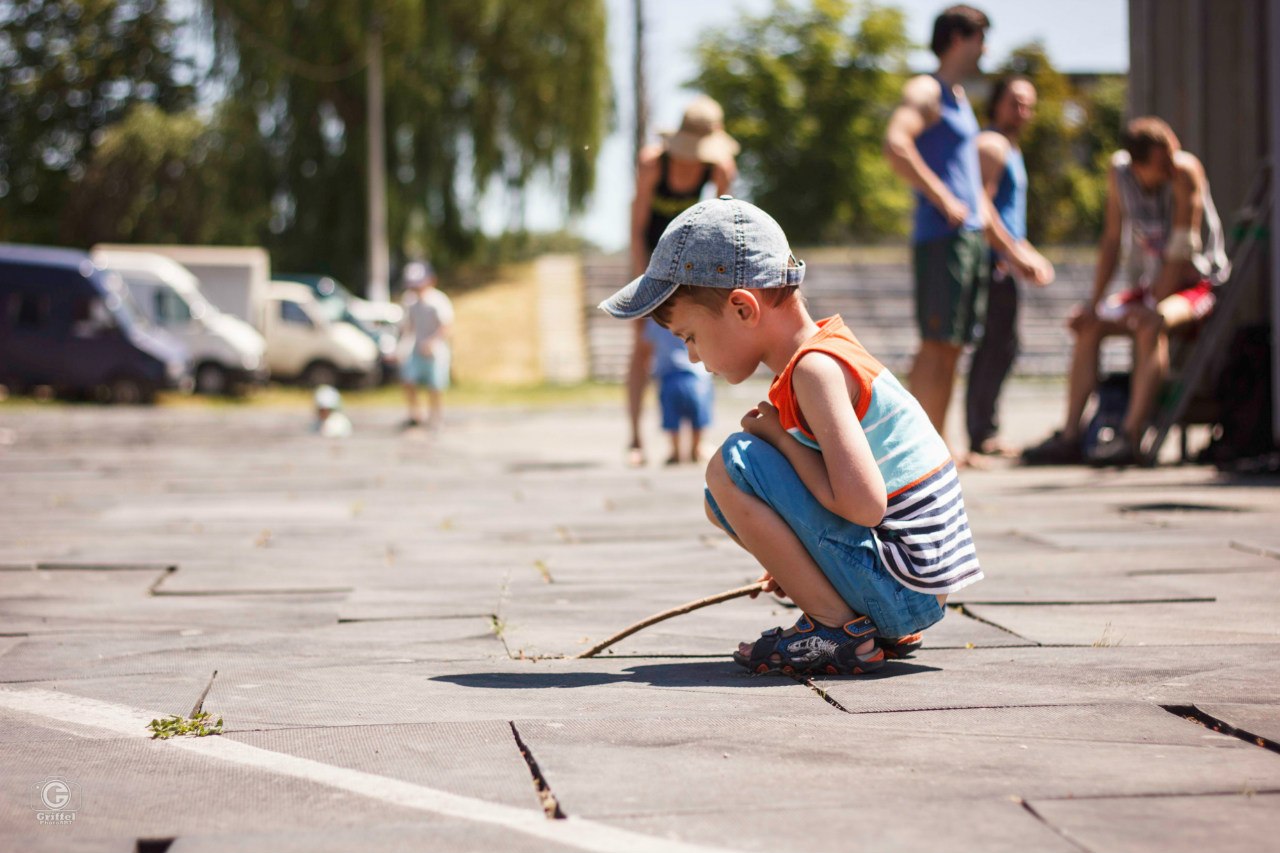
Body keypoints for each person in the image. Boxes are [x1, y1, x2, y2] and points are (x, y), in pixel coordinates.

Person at [599, 196, 983, 675]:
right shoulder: (825, 354)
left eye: (690, 336)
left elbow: (864, 506)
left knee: (733, 464)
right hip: (908, 586)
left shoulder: (815, 371)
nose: (694, 358)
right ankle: (848, 617)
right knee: (721, 500)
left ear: (742, 308)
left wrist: (781, 440)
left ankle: (835, 629)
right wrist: (800, 562)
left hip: (903, 589)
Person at [883, 5, 1052, 451]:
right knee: (936, 344)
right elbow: (896, 143)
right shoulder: (927, 89)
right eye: (981, 39)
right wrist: (941, 197)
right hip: (942, 237)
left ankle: (936, 447)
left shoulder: (958, 96)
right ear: (960, 38)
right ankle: (917, 451)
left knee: (954, 346)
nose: (986, 50)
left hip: (967, 239)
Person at [1022, 117, 1229, 466]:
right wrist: (1094, 303)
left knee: (1151, 324)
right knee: (1087, 325)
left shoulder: (1185, 171)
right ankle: (1071, 435)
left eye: (1172, 157)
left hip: (1195, 282)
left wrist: (1152, 304)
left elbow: (1182, 248)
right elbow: (1111, 241)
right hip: (1153, 284)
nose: (1170, 167)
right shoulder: (1119, 173)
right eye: (1162, 163)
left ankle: (1131, 437)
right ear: (1138, 164)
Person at [625, 95, 738, 466]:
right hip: (650, 261)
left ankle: (699, 436)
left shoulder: (716, 166)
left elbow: (724, 218)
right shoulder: (653, 164)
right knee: (643, 349)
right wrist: (644, 282)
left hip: (689, 263)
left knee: (704, 344)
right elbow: (638, 226)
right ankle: (636, 440)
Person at [965, 76, 1054, 459]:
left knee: (1004, 346)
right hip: (989, 264)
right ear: (996, 103)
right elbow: (981, 210)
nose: (1023, 112)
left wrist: (1029, 254)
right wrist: (1016, 256)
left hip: (1005, 262)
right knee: (992, 346)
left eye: (1028, 104)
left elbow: (1009, 218)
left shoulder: (1011, 149)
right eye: (1015, 102)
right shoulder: (992, 145)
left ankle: (986, 430)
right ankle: (980, 434)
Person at [645, 318, 714, 464]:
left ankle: (675, 451)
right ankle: (696, 448)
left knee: (671, 416)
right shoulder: (692, 315)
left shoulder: (656, 321)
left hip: (669, 375)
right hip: (697, 375)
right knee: (699, 416)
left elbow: (648, 344)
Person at [397, 260, 454, 430]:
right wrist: (402, 344)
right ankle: (415, 414)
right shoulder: (410, 301)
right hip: (417, 346)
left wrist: (433, 341)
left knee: (435, 385)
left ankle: (436, 415)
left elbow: (447, 326)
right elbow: (409, 326)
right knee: (408, 379)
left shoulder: (438, 300)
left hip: (435, 349)